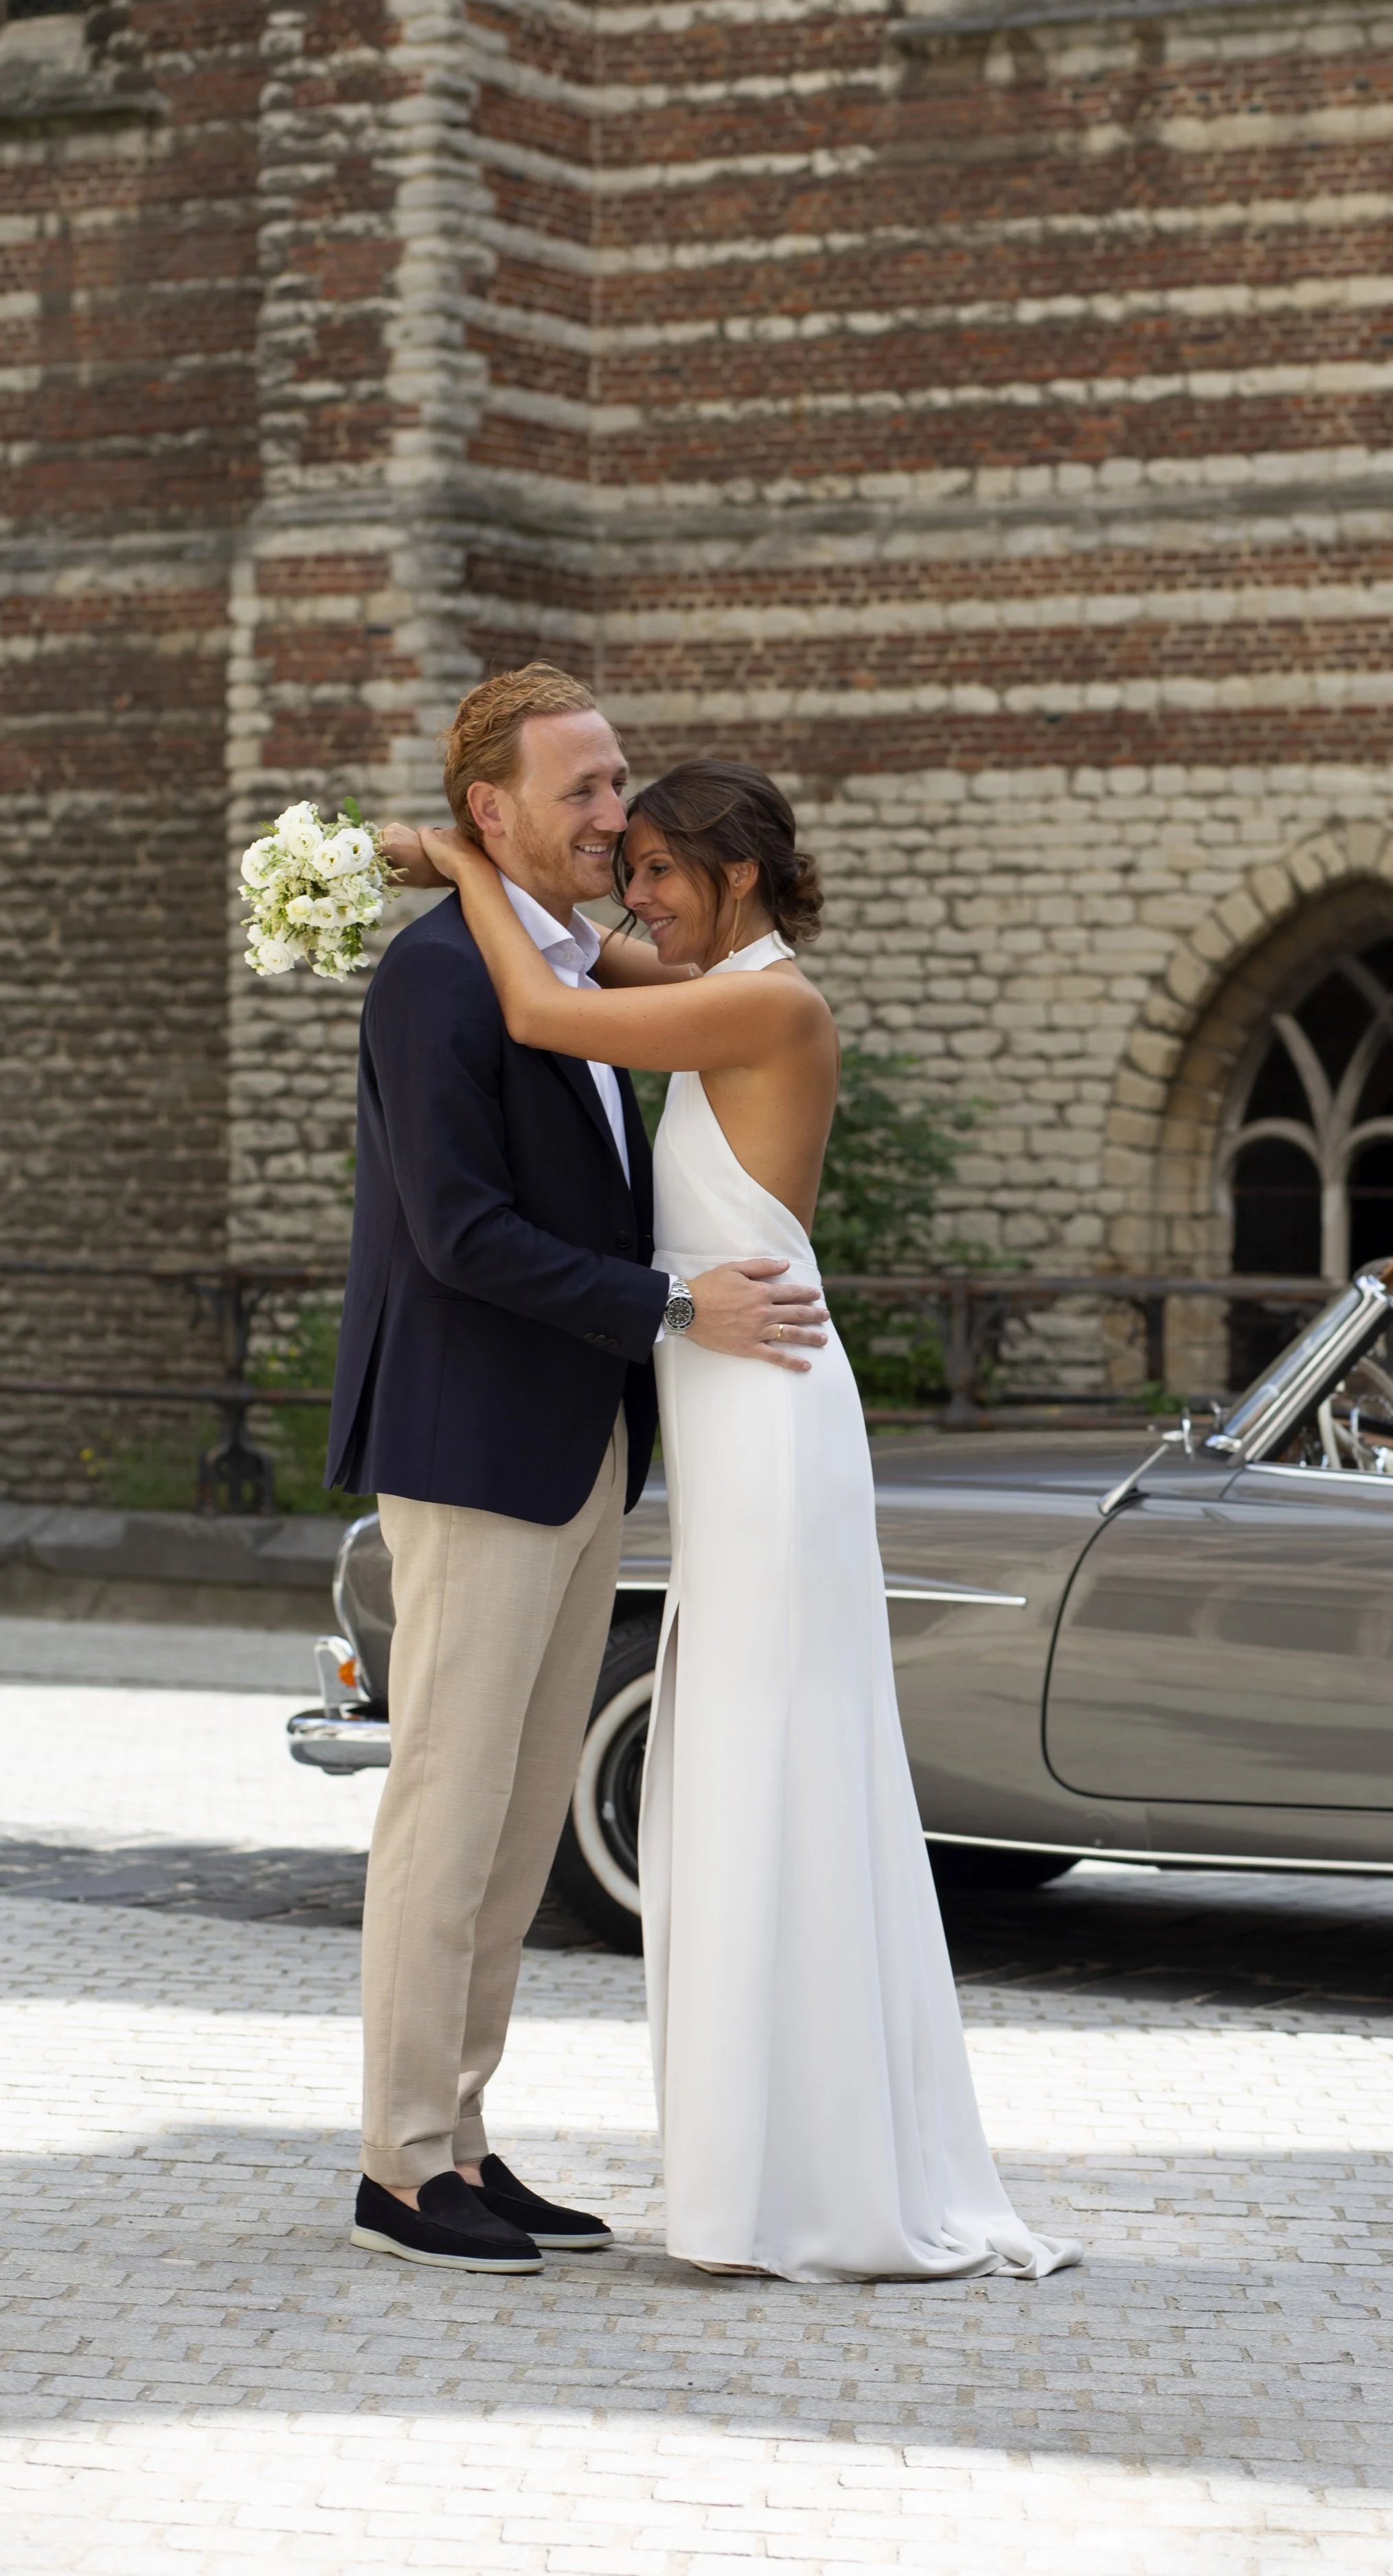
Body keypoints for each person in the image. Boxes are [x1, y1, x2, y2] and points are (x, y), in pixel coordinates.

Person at [418, 758, 1080, 2284]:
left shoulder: (770, 1005)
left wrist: (467, 869)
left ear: (733, 870)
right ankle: (767, 2164)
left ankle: (798, 2182)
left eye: (657, 868)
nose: (634, 895)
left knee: (767, 1763)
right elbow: (576, 954)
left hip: (769, 1424)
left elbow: (542, 1004)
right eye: (626, 864)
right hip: (728, 1417)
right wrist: (481, 877)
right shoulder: (723, 977)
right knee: (740, 1765)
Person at [328, 666, 828, 2276]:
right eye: (587, 793)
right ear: (494, 813)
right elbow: (460, 1235)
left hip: (579, 1443)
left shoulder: (551, 962)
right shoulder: (436, 983)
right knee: (444, 1812)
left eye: (620, 788)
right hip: (477, 1443)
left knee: (519, 1820)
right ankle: (401, 2168)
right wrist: (672, 1307)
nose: (617, 819)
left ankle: (463, 2136)